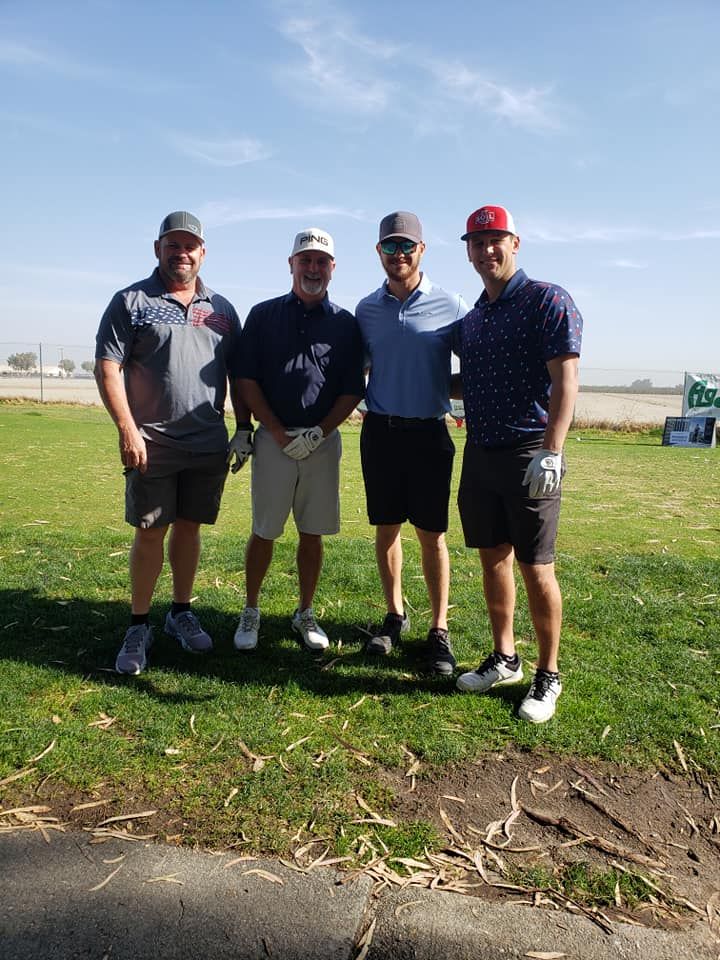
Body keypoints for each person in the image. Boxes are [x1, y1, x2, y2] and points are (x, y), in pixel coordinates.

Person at [95, 211, 247, 675]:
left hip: (206, 444)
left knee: (189, 528)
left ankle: (180, 611)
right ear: (158, 249)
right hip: (151, 444)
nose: (182, 253)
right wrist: (126, 428)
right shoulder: (131, 301)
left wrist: (244, 426)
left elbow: (237, 375)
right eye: (172, 245)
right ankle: (139, 623)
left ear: (203, 252)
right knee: (150, 531)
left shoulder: (222, 309)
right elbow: (107, 367)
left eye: (190, 246)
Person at [453, 204, 583, 722]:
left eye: (496, 240)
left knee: (536, 566)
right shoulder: (473, 320)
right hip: (481, 452)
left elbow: (565, 380)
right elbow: (470, 382)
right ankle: (505, 657)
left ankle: (547, 674)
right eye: (477, 242)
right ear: (467, 249)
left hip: (531, 452)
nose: (487, 250)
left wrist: (554, 448)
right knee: (493, 559)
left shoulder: (547, 300)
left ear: (515, 243)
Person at [232, 228, 364, 652]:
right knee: (265, 531)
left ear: (333, 268)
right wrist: (268, 428)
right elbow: (246, 378)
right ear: (290, 264)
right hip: (274, 440)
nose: (313, 268)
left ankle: (304, 612)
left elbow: (351, 388)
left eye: (321, 261)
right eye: (305, 260)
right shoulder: (263, 314)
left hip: (320, 444)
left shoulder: (345, 324)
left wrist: (319, 431)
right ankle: (251, 609)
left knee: (312, 533)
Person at [355, 212, 468, 675]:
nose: (398, 255)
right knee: (386, 530)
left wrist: (444, 388)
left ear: (422, 251)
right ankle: (394, 615)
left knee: (432, 536)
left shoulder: (453, 305)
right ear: (378, 252)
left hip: (428, 433)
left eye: (407, 247)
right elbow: (353, 369)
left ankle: (439, 629)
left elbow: (477, 366)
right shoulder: (366, 310)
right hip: (379, 432)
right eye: (389, 247)